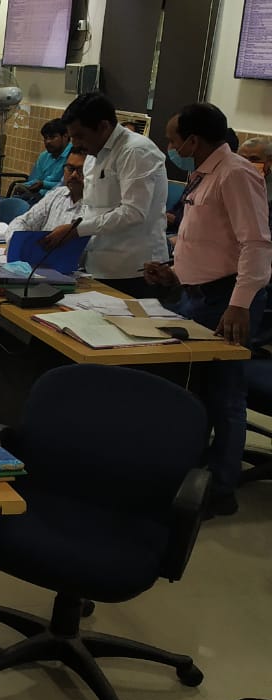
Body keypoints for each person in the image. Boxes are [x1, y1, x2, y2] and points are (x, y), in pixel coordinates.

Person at [143, 103, 272, 518]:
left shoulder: (236, 174)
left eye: (173, 140)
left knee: (224, 394)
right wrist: (174, 272)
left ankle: (220, 488)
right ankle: (192, 473)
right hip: (196, 295)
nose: (171, 147)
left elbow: (256, 243)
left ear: (193, 141)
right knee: (195, 388)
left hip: (226, 300)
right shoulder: (204, 173)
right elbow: (208, 240)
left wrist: (240, 303)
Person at [42, 92, 169, 297]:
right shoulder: (93, 153)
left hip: (133, 270)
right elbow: (91, 208)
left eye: (80, 136)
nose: (75, 144)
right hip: (97, 265)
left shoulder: (135, 151)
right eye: (72, 136)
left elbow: (134, 213)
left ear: (103, 126)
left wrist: (76, 230)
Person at [7, 147, 88, 245]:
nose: (74, 175)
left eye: (81, 170)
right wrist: (16, 243)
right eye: (70, 168)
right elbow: (22, 222)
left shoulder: (96, 206)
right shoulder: (56, 195)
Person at [14, 119, 71, 203]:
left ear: (65, 136)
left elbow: (67, 185)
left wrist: (44, 184)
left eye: (52, 137)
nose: (48, 142)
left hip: (60, 200)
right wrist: (25, 186)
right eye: (45, 138)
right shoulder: (44, 156)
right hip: (39, 197)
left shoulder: (74, 156)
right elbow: (36, 179)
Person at [237, 137, 272, 212]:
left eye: (254, 159)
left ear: (269, 160)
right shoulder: (231, 181)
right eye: (243, 159)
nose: (247, 163)